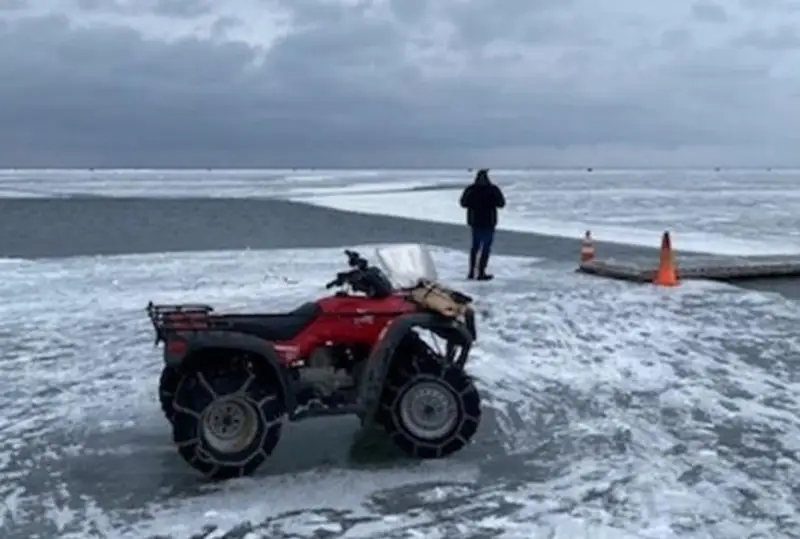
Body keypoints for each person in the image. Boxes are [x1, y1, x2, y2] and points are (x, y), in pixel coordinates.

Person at [459, 169, 506, 280]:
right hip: (489, 222)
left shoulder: (471, 189)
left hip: (475, 222)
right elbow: (501, 204)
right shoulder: (493, 189)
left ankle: (471, 272)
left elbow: (463, 203)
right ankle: (481, 272)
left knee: (475, 247)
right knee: (485, 248)